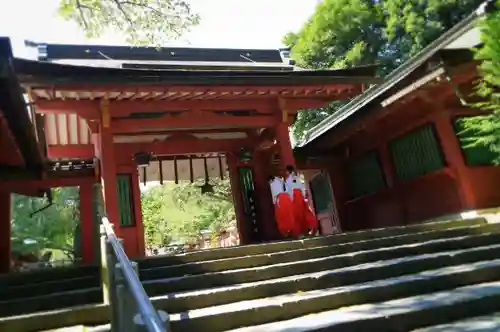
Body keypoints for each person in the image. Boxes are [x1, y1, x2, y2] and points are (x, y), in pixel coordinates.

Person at [285, 165, 318, 236]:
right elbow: (303, 187)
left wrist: (290, 199)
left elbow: (289, 190)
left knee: (296, 215)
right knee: (305, 212)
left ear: (287, 171)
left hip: (294, 197)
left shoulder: (288, 180)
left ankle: (299, 232)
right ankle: (311, 227)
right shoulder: (298, 177)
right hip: (300, 196)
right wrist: (303, 197)